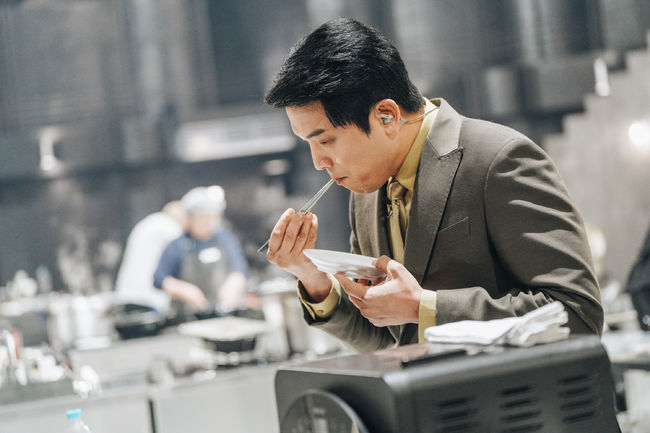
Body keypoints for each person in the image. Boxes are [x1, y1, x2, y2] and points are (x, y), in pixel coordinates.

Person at [263, 18, 603, 352]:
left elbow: (577, 316)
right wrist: (313, 278)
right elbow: (390, 338)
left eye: (325, 140)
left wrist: (425, 308)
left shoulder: (499, 159)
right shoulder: (366, 194)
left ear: (386, 116)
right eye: (308, 144)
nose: (318, 162)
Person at [154, 186, 249, 318]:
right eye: (203, 218)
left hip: (225, 314)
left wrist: (233, 284)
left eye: (213, 218)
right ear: (189, 219)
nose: (209, 223)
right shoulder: (177, 245)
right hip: (189, 318)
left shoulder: (225, 239)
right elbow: (159, 278)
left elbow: (239, 269)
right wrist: (183, 289)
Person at [114, 201, 187, 312]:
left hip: (128, 293)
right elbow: (182, 251)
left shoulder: (147, 223)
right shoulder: (169, 226)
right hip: (148, 296)